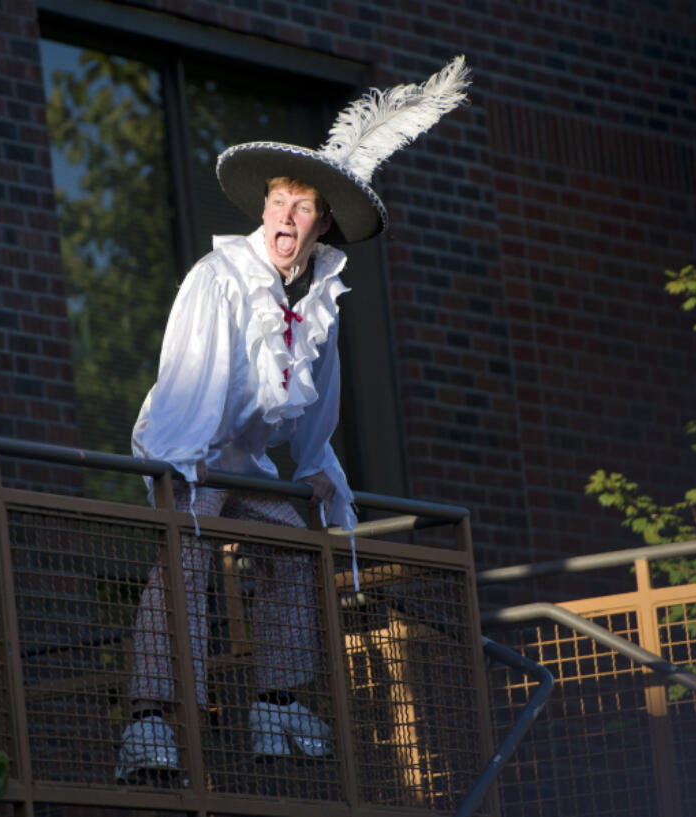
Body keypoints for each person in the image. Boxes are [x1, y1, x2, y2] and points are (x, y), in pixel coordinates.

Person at [117, 56, 470, 782]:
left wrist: (315, 474)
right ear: (264, 209)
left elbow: (321, 407)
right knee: (187, 549)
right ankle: (153, 720)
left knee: (295, 546)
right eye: (278, 200)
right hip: (186, 440)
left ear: (321, 222)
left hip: (242, 457)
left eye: (301, 206)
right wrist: (186, 467)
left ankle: (277, 706)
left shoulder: (318, 305)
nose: (284, 215)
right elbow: (190, 379)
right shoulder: (217, 279)